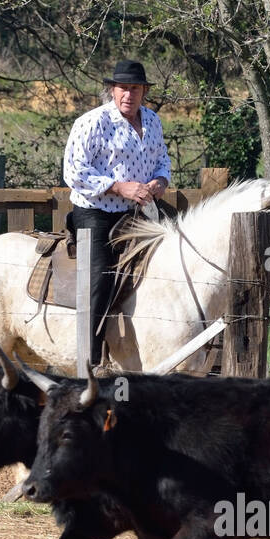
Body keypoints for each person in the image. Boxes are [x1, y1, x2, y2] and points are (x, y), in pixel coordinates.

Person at [62, 59, 171, 366]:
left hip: (136, 215)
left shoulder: (152, 121)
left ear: (143, 91)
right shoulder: (92, 122)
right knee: (100, 277)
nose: (128, 95)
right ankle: (91, 359)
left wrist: (160, 180)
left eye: (135, 88)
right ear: (112, 90)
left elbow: (163, 159)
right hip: (95, 213)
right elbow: (74, 172)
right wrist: (120, 187)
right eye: (123, 88)